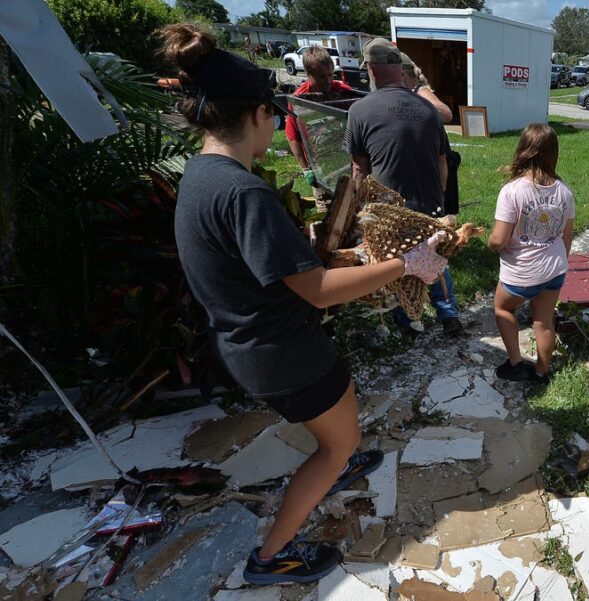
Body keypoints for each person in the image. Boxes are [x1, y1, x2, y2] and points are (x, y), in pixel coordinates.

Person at [158, 24, 448, 585]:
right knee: (338, 445)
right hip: (282, 351)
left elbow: (267, 270)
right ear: (260, 115)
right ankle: (272, 557)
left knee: (339, 418)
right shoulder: (245, 192)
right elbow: (314, 289)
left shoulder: (201, 175)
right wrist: (405, 265)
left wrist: (351, 252)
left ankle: (342, 456)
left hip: (249, 342)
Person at [344, 38, 463, 337]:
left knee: (396, 262)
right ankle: (448, 314)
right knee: (436, 257)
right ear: (400, 69)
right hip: (430, 201)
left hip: (390, 208)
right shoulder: (427, 109)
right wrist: (440, 200)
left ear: (371, 70)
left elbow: (359, 169)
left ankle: (408, 318)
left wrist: (359, 210)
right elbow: (442, 163)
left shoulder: (359, 110)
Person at [487, 124, 574, 383]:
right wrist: (561, 261)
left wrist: (491, 245)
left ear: (523, 150)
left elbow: (499, 239)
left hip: (522, 273)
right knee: (543, 322)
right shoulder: (564, 191)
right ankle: (541, 372)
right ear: (553, 153)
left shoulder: (512, 191)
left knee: (503, 308)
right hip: (555, 269)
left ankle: (515, 363)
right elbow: (567, 236)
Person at [284, 46, 352, 211]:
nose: (328, 80)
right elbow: (293, 137)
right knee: (327, 215)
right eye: (322, 77)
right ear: (308, 74)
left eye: (330, 75)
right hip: (320, 169)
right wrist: (306, 169)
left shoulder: (343, 93)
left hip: (344, 164)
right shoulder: (299, 101)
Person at [399, 53, 461, 223]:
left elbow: (446, 113)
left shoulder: (420, 91)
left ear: (402, 74)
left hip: (436, 158)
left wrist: (412, 108)